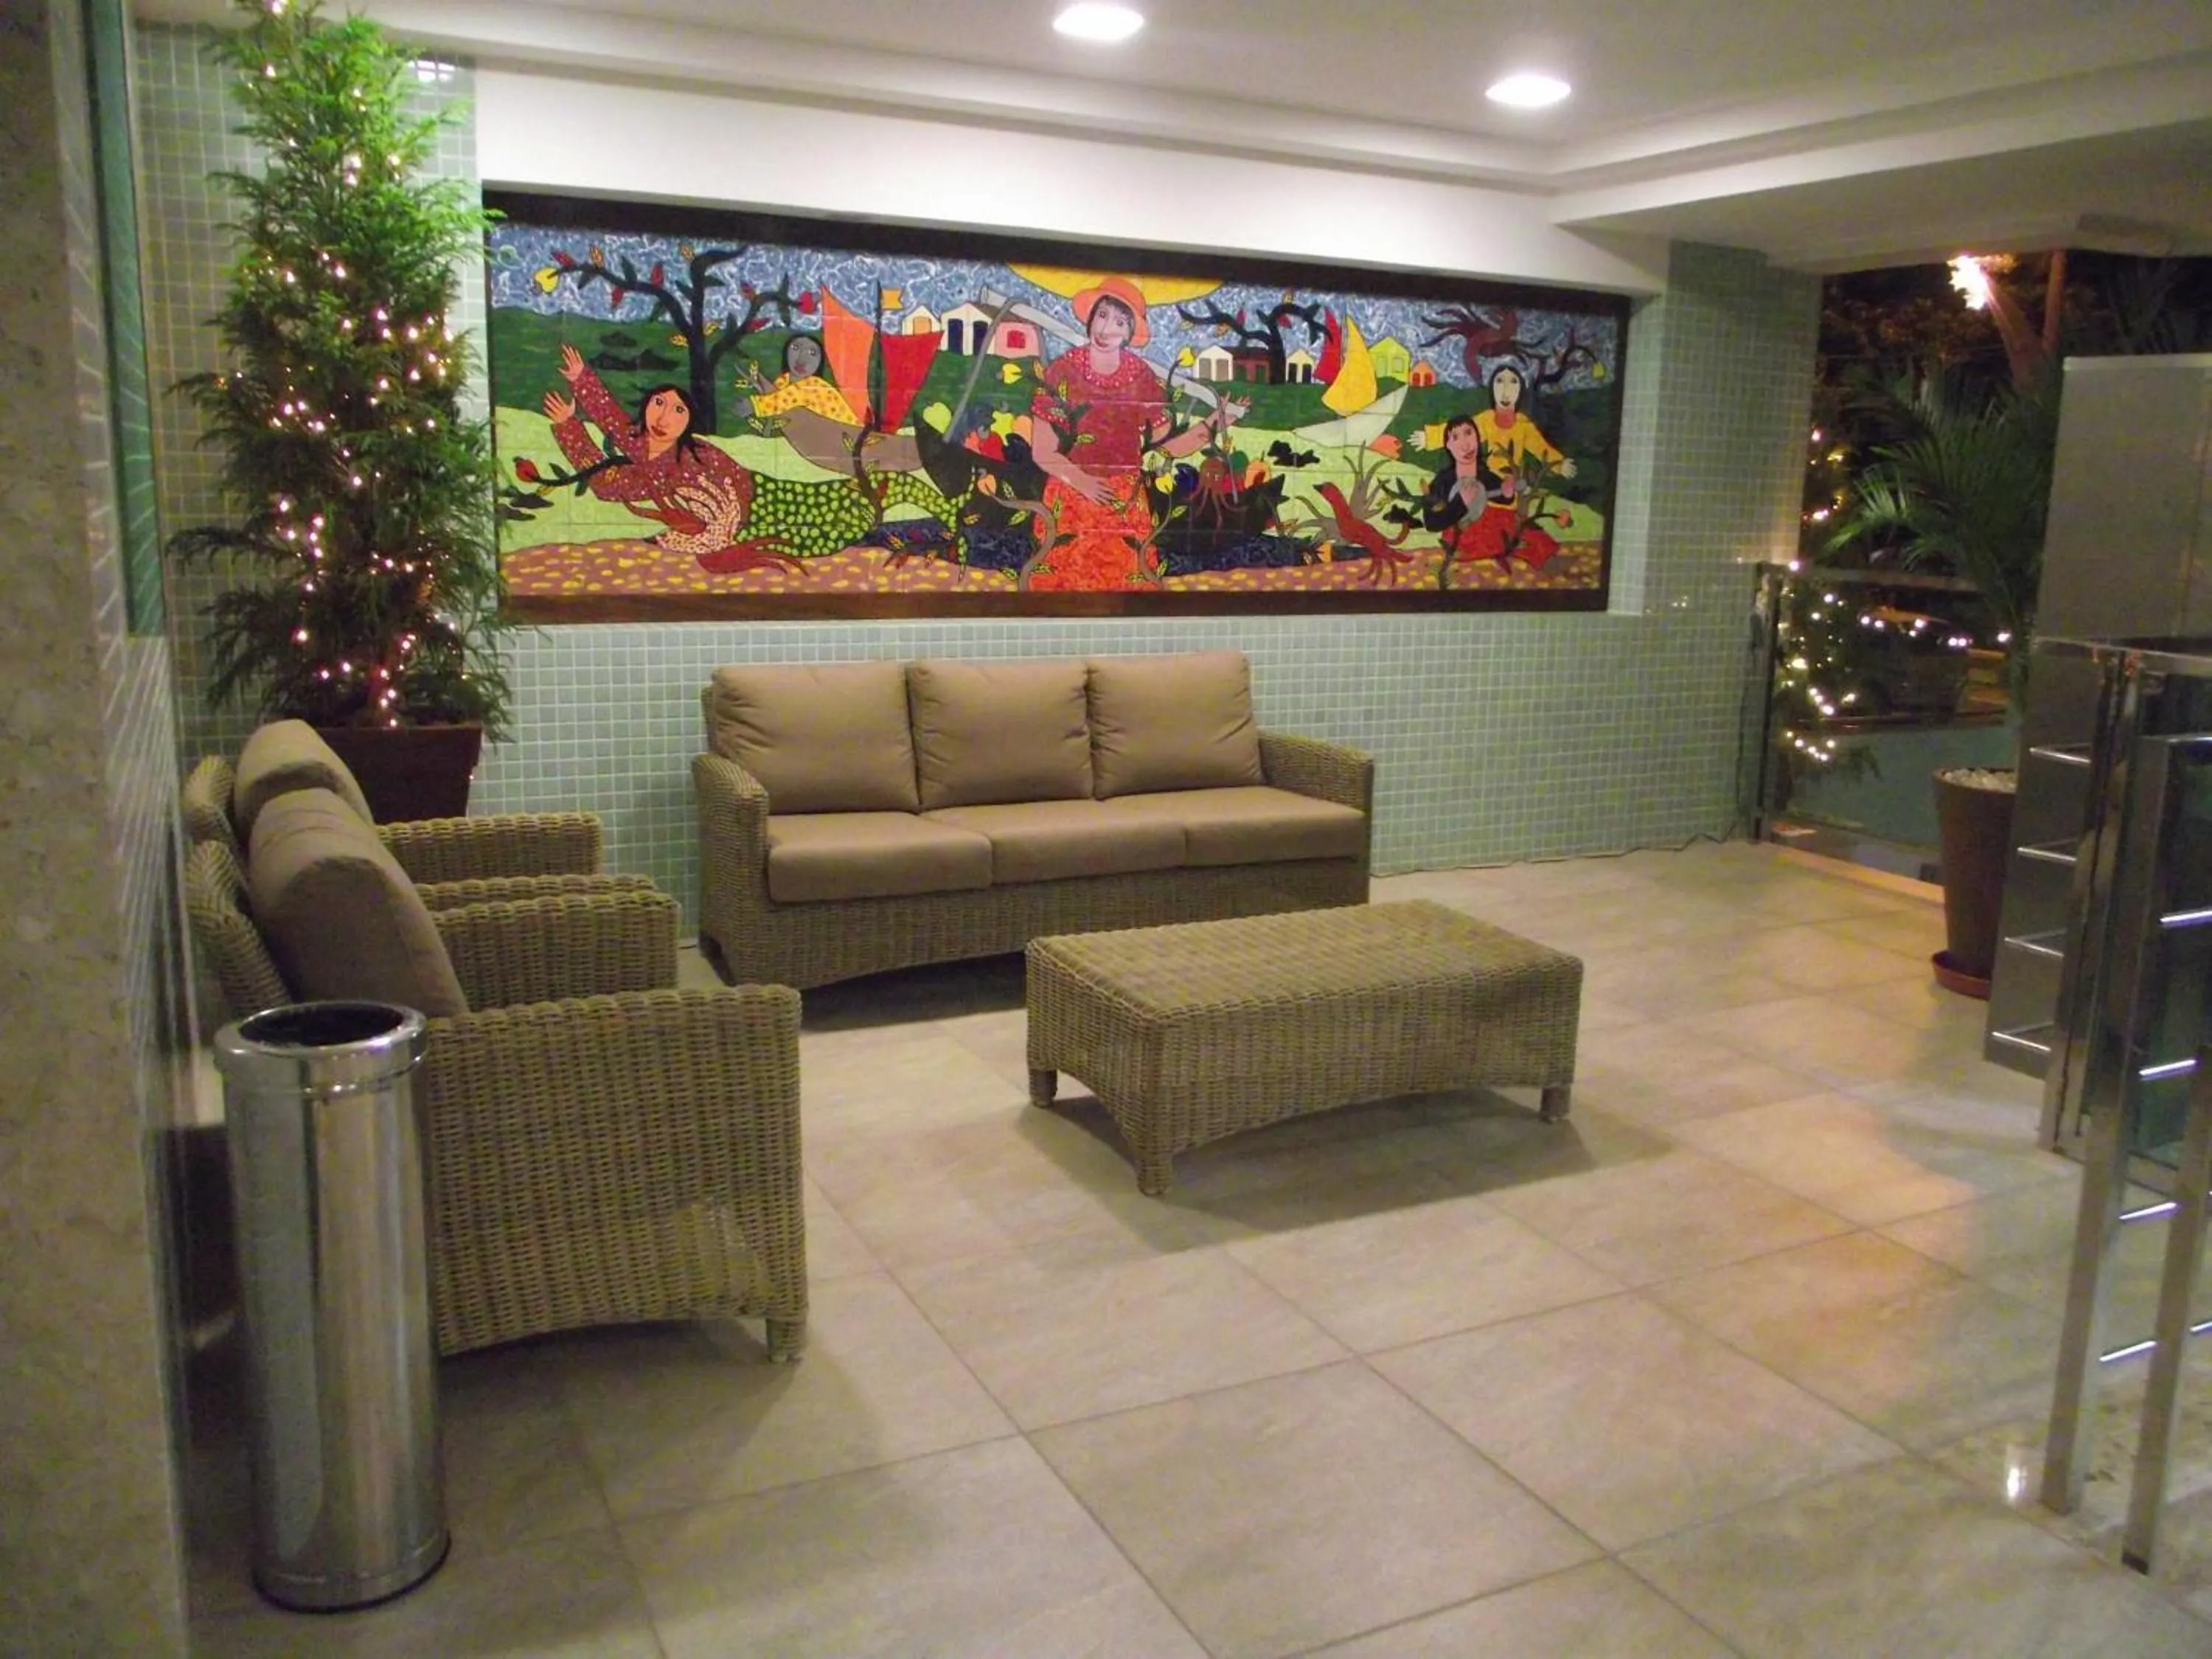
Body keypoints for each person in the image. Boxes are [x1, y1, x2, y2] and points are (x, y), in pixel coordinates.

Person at [1025, 276, 1248, 589]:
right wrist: (1083, 483)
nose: (1106, 330)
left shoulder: (1142, 378)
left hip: (1123, 501)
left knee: (1128, 594)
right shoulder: (1061, 371)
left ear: (1131, 331)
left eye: (1120, 321)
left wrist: (1215, 423)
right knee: (1062, 593)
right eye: (1102, 315)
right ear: (1090, 316)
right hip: (1071, 497)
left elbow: (1167, 446)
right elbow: (1042, 450)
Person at [543, 343, 791, 573]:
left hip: (762, 501)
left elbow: (742, 482)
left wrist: (569, 424)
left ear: (689, 422)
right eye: (658, 403)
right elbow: (609, 454)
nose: (663, 419)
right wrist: (576, 392)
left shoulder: (696, 455)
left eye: (678, 410)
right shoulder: (644, 449)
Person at [1421, 408, 1562, 571]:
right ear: (1448, 446)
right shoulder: (1443, 481)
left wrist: (1508, 492)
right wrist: (1460, 504)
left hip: (1488, 522)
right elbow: (1432, 523)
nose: (1465, 444)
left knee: (1516, 522)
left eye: (1469, 433)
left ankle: (1548, 555)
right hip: (1461, 538)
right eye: (1456, 437)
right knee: (1504, 531)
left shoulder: (1484, 474)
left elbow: (1502, 496)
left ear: (1477, 438)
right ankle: (1542, 559)